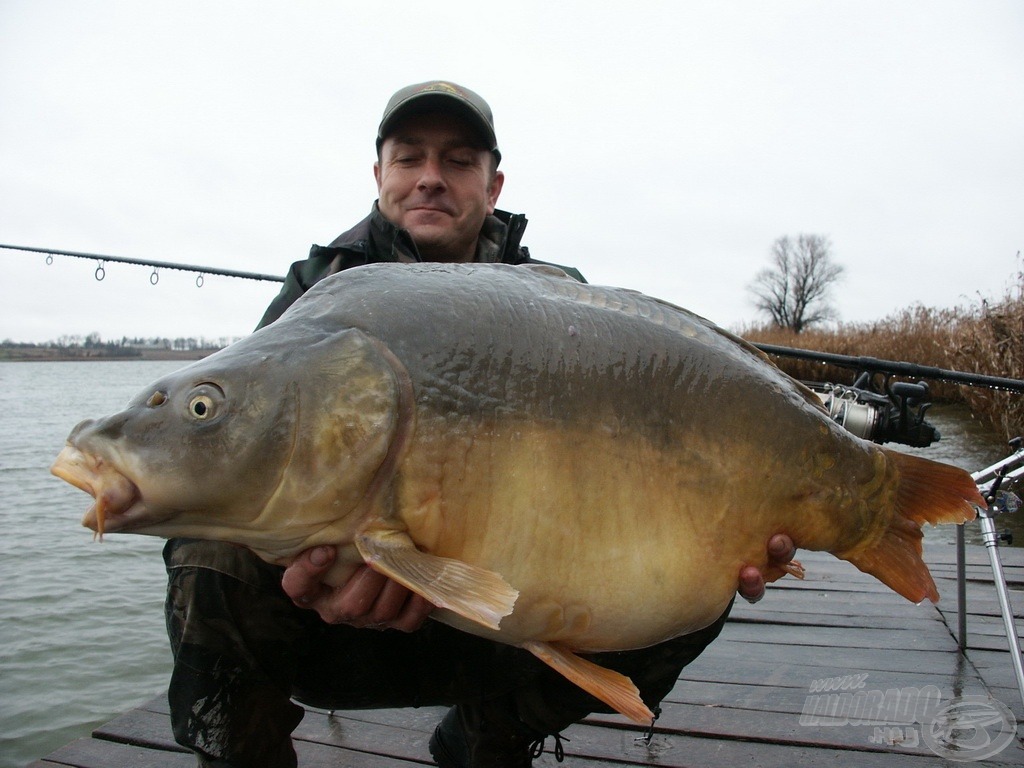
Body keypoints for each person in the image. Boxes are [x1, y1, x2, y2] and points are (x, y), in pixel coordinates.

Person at [164, 80, 798, 768]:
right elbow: (242, 455)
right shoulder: (316, 298)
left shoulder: (557, 302)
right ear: (379, 175)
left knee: (695, 585)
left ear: (494, 185)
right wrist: (312, 580)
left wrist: (724, 521)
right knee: (205, 547)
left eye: (459, 161)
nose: (431, 178)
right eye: (410, 158)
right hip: (334, 617)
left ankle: (487, 737)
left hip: (502, 613)